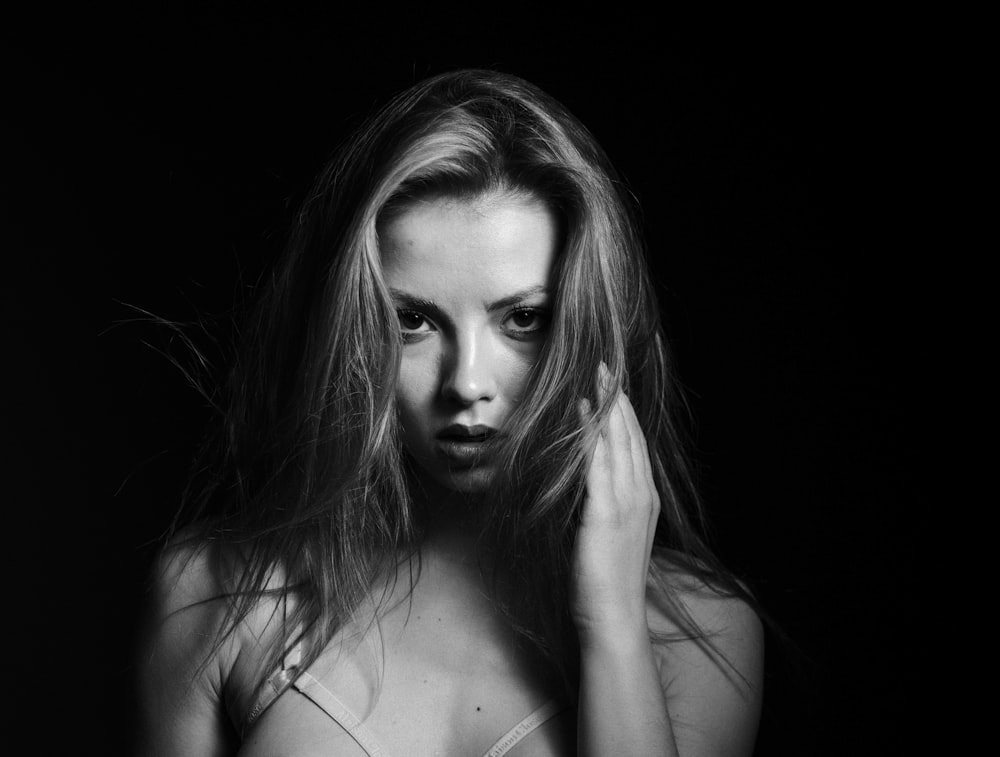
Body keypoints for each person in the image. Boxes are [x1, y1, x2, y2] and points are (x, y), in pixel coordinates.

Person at [136, 68, 764, 756]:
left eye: (523, 318)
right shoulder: (218, 594)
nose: (465, 383)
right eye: (412, 319)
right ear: (354, 329)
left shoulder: (700, 629)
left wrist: (612, 624)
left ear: (587, 327)